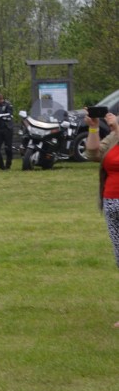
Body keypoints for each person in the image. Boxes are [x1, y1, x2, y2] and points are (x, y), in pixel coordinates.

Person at [84, 110, 119, 328]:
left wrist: (117, 127)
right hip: (111, 203)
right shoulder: (114, 136)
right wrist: (94, 127)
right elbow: (93, 153)